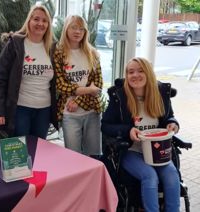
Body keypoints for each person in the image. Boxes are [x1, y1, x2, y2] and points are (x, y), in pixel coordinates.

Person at [101, 57, 180, 212]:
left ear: (149, 73)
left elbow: (169, 117)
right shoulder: (119, 97)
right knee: (150, 176)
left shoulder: (160, 94)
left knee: (172, 174)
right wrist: (127, 131)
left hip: (157, 151)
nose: (135, 75)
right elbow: (105, 125)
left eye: (140, 70)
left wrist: (173, 123)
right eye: (131, 72)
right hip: (131, 151)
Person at [0, 5, 57, 139]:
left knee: (39, 150)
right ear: (29, 21)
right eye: (36, 19)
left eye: (44, 21)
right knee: (20, 153)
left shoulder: (53, 48)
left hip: (44, 111)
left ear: (48, 25)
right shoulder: (15, 44)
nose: (40, 23)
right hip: (20, 110)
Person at [54, 15, 103, 156]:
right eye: (74, 27)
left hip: (92, 112)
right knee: (73, 157)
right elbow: (60, 85)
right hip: (70, 113)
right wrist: (88, 90)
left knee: (94, 156)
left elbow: (98, 84)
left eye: (81, 29)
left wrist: (78, 100)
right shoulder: (59, 53)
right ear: (66, 29)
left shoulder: (92, 53)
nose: (78, 32)